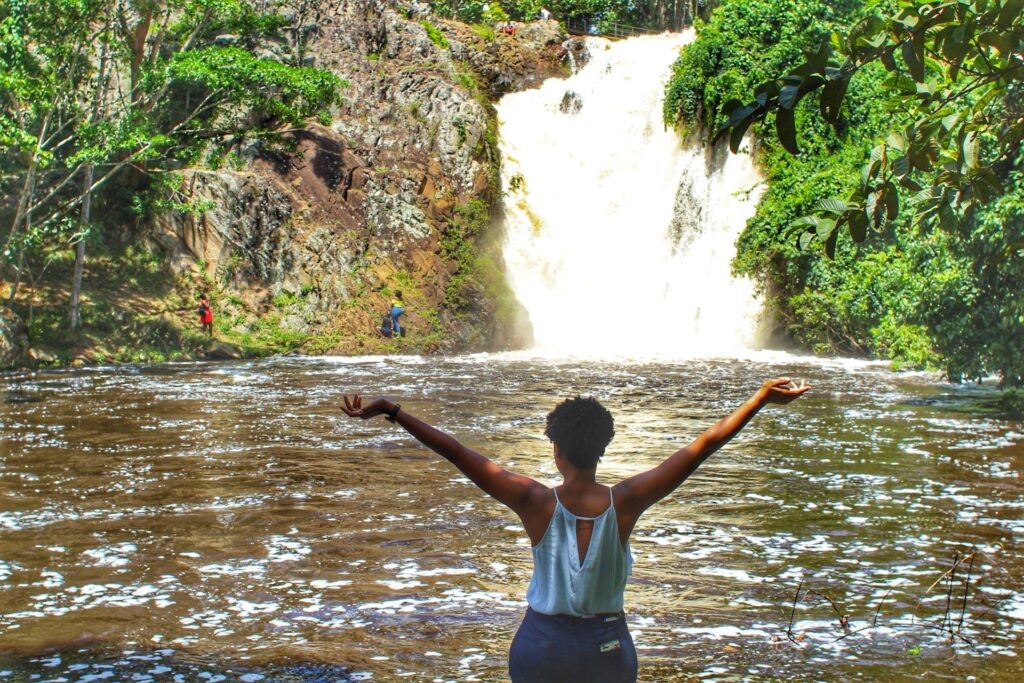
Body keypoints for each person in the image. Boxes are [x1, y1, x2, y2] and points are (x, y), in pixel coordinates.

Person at [341, 378, 810, 682]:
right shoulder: (626, 502)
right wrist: (760, 398)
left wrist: (392, 411)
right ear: (602, 448)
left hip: (539, 647)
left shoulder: (534, 501)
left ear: (556, 450)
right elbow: (702, 447)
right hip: (606, 650)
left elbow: (458, 453)